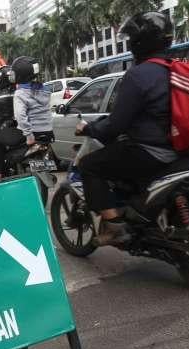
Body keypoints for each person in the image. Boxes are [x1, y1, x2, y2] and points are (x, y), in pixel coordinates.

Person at [76, 12, 178, 247]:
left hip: (152, 150)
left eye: (132, 37)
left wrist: (90, 129)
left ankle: (114, 228)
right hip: (182, 147)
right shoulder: (177, 68)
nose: (130, 42)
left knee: (89, 166)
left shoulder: (138, 75)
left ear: (140, 42)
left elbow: (116, 125)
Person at [0, 56, 53, 180]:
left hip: (30, 134)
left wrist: (29, 135)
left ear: (20, 75)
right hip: (48, 132)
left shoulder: (20, 93)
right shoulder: (45, 90)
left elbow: (20, 116)